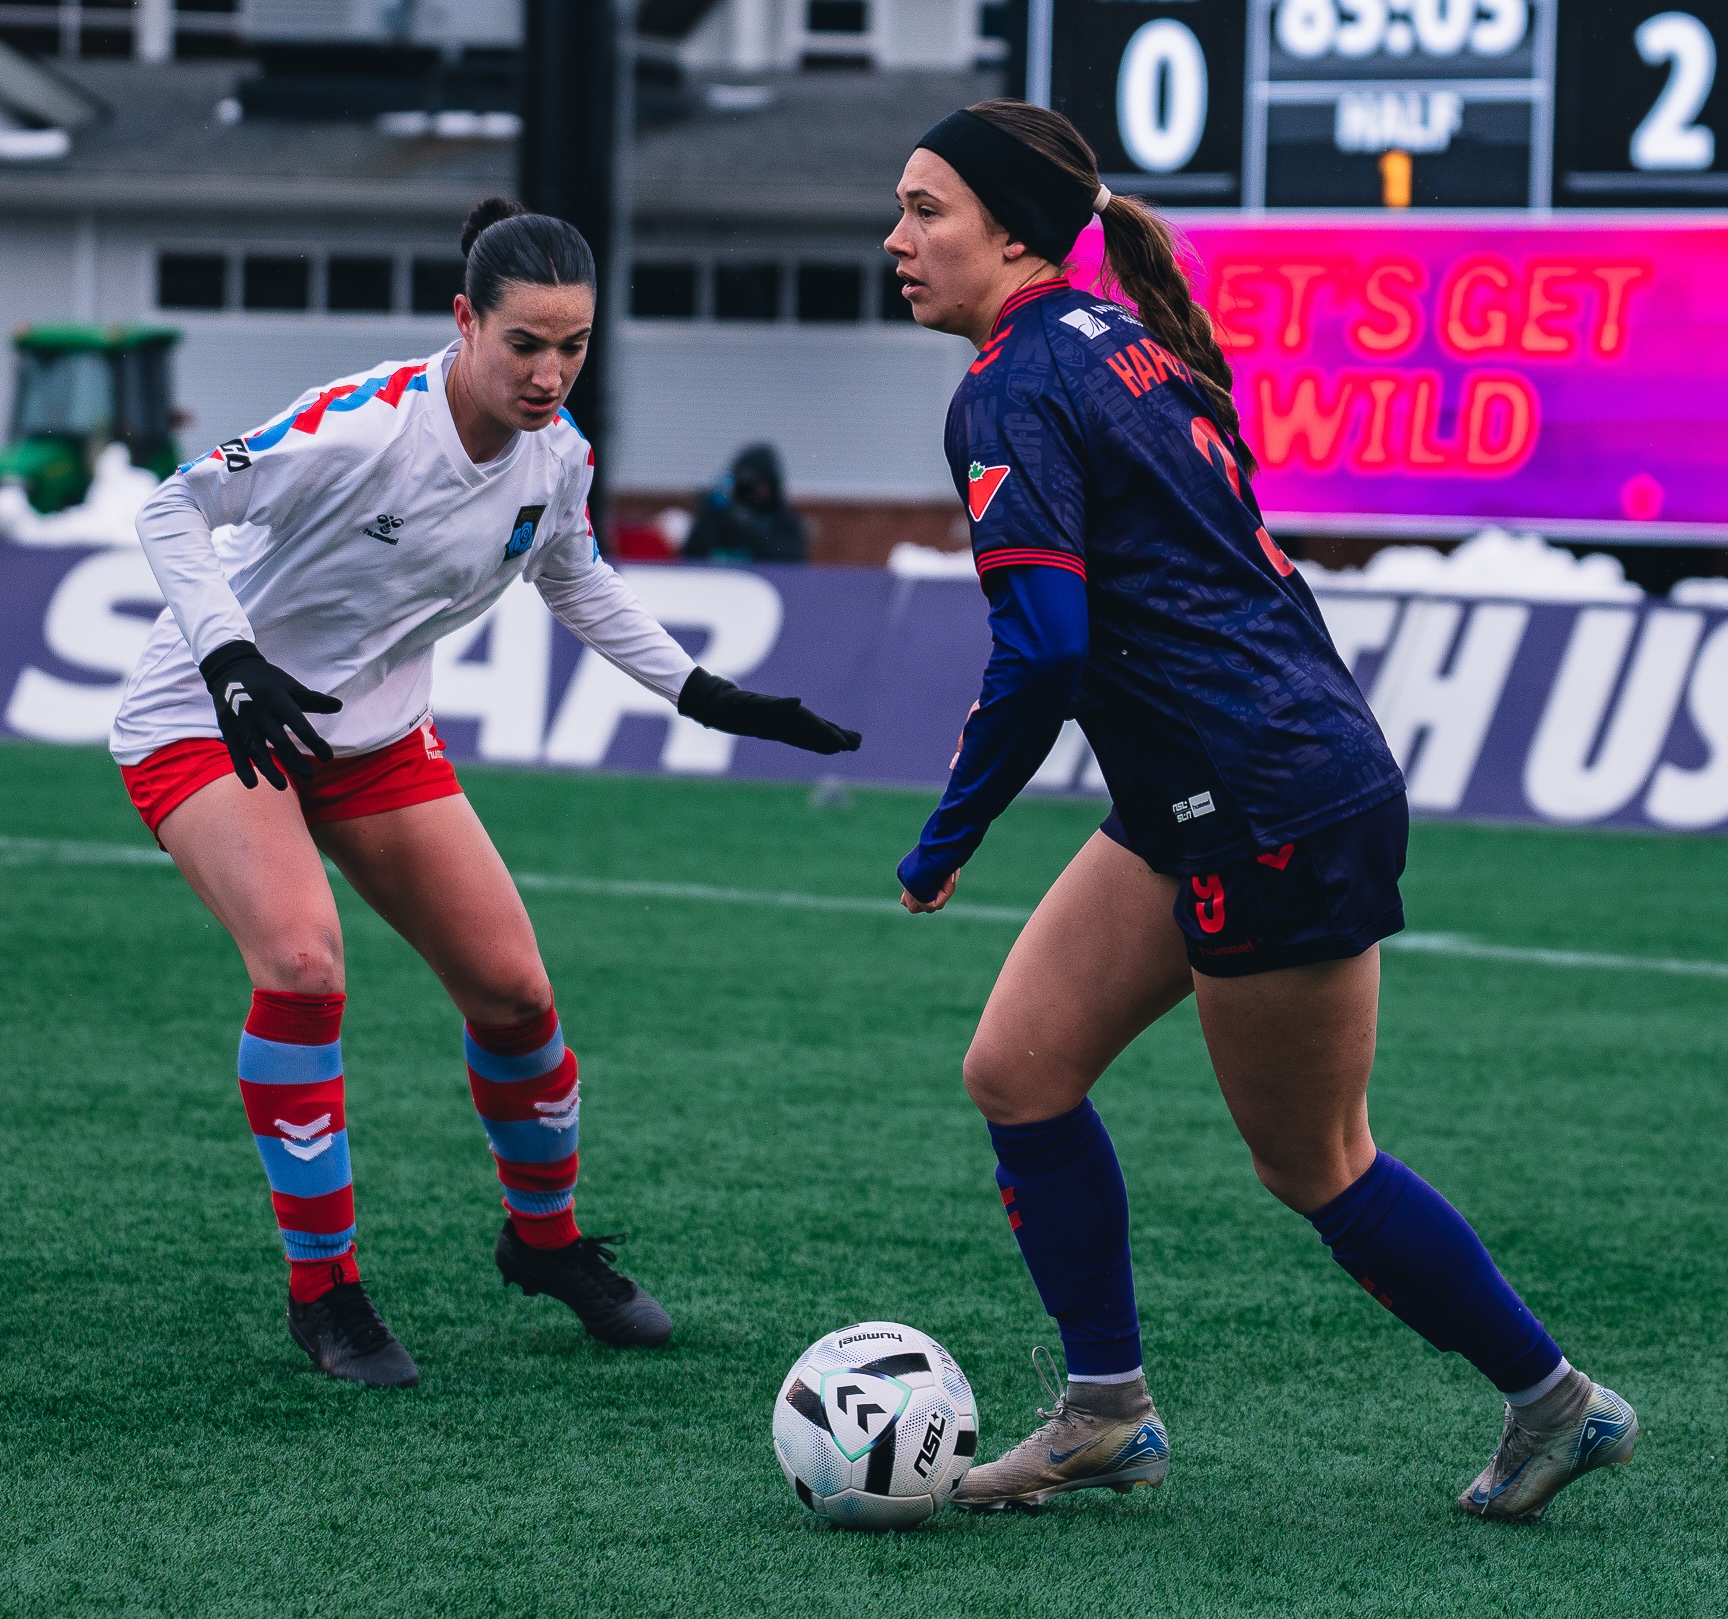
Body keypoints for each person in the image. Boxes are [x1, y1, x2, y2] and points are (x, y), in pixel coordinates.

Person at [883, 102, 1637, 1520]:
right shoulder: (1119, 341)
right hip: (1228, 786)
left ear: (1013, 233)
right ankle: (1105, 1409)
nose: (898, 237)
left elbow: (1045, 643)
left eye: (927, 209)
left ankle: (1557, 1403)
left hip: (1267, 800)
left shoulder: (1009, 384)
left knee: (1315, 1161)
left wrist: (949, 834)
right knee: (1018, 1069)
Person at [112, 197, 860, 1389]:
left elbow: (575, 576)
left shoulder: (558, 455)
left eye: (574, 346)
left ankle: (545, 1243)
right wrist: (227, 653)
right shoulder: (363, 426)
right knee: (303, 964)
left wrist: (705, 693)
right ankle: (327, 1294)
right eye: (526, 343)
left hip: (369, 734)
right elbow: (171, 504)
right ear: (465, 321)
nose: (551, 371)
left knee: (515, 993)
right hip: (213, 717)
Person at [684, 443, 807, 563]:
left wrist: (750, 529)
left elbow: (792, 559)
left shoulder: (782, 518)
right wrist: (709, 514)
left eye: (761, 483)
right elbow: (692, 555)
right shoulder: (721, 512)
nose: (757, 491)